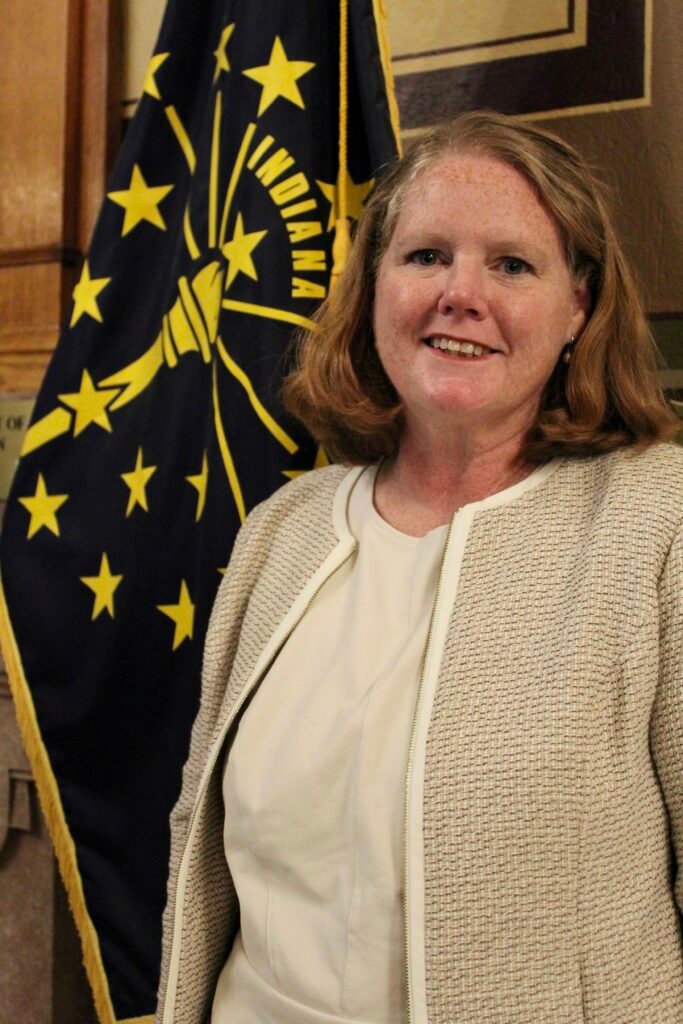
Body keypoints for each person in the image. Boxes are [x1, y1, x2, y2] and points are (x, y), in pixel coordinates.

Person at [155, 112, 683, 1024]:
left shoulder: (656, 520)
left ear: (578, 308)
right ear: (371, 290)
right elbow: (204, 863)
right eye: (425, 256)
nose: (459, 294)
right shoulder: (280, 535)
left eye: (511, 265)